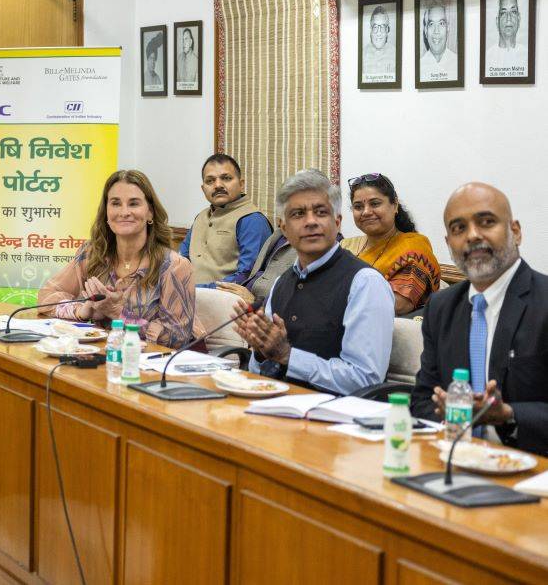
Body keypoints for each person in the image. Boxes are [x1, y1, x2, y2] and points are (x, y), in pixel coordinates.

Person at [411, 183, 548, 455]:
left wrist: (508, 414)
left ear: (516, 232)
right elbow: (423, 400)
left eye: (486, 222)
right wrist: (450, 414)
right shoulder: (440, 306)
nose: (473, 236)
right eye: (459, 228)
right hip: (453, 459)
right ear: (449, 243)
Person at [233, 170, 394, 395]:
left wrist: (288, 356)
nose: (311, 222)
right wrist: (262, 352)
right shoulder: (282, 282)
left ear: (337, 222)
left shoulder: (365, 284)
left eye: (321, 212)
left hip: (337, 420)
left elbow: (366, 380)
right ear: (284, 228)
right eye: (298, 214)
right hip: (276, 409)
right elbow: (259, 373)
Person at [39, 169, 203, 350]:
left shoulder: (174, 266)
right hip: (101, 357)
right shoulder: (92, 253)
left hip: (155, 367)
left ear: (150, 213)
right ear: (106, 213)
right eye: (115, 204)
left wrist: (118, 313)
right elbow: (46, 297)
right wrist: (82, 311)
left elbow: (176, 338)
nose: (124, 212)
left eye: (133, 204)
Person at [341, 173, 440, 316]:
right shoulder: (346, 245)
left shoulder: (413, 249)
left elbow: (397, 305)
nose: (366, 212)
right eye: (358, 206)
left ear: (394, 205)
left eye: (375, 203)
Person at [179, 153, 272, 287]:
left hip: (227, 301)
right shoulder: (201, 217)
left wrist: (197, 290)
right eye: (210, 181)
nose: (217, 185)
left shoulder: (252, 220)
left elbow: (246, 277)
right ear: (203, 188)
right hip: (190, 297)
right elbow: (182, 260)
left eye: (226, 178)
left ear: (241, 184)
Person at [485, 0, 527, 76]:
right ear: (497, 21)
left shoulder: (527, 56)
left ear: (519, 19)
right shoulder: (487, 58)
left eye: (513, 12)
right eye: (503, 13)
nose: (509, 18)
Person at [419, 0, 458, 82]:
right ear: (425, 31)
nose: (436, 31)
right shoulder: (419, 66)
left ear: (448, 28)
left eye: (441, 23)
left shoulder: (458, 63)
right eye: (431, 24)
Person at [362, 5, 396, 83]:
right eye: (375, 27)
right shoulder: (362, 55)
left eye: (383, 27)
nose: (379, 33)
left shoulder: (395, 54)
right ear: (370, 30)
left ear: (387, 30)